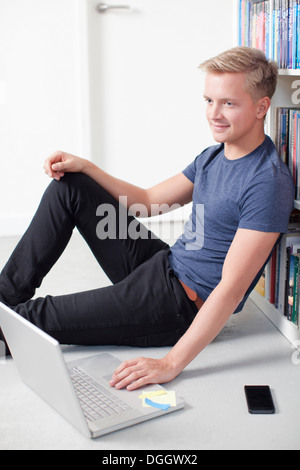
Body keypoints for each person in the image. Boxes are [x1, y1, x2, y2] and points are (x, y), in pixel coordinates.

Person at [0, 46, 295, 391]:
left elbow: (230, 289)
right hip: (162, 263)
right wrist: (88, 168)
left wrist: (171, 363)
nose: (214, 113)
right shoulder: (214, 155)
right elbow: (148, 202)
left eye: (228, 103)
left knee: (35, 318)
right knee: (71, 188)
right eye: (209, 100)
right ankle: (4, 295)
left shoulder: (267, 182)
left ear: (262, 107)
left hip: (177, 305)